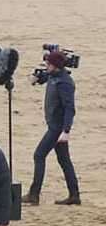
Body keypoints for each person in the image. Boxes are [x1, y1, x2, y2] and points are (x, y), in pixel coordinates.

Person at [25, 50, 80, 205]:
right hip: (55, 126)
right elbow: (43, 78)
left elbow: (70, 108)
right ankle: (74, 195)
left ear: (55, 66)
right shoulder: (54, 76)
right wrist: (36, 78)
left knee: (39, 155)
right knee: (64, 160)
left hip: (57, 128)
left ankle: (34, 194)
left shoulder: (65, 83)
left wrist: (66, 131)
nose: (46, 66)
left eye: (48, 64)